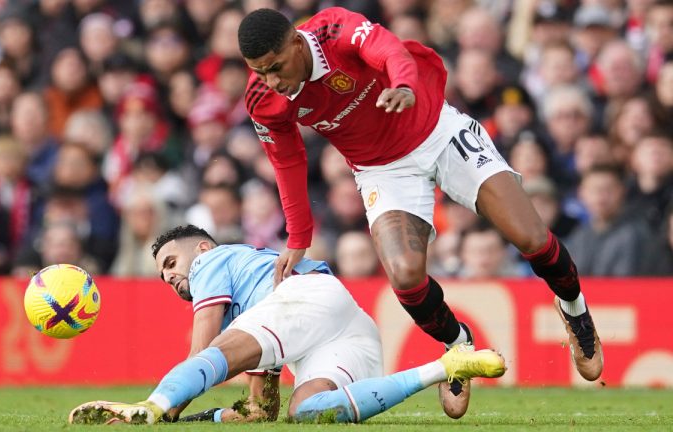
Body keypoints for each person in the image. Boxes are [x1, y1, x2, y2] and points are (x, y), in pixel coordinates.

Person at [237, 7, 603, 419]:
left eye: (275, 67)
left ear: (295, 42)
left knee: (532, 238)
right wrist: (299, 237)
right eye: (259, 71)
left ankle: (574, 310)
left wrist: (405, 85)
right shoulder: (263, 97)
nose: (271, 81)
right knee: (406, 278)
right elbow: (287, 160)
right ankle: (458, 347)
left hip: (437, 130)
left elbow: (390, 50)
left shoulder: (333, 29)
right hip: (382, 170)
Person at [68, 225, 506, 425]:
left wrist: (161, 410)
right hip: (347, 326)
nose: (172, 278)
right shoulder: (252, 315)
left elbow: (203, 357)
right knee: (306, 413)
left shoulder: (211, 261)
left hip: (306, 300)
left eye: (172, 263)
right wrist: (199, 418)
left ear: (199, 248)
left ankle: (149, 408)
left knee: (211, 358)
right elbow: (261, 413)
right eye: (164, 279)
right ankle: (443, 367)